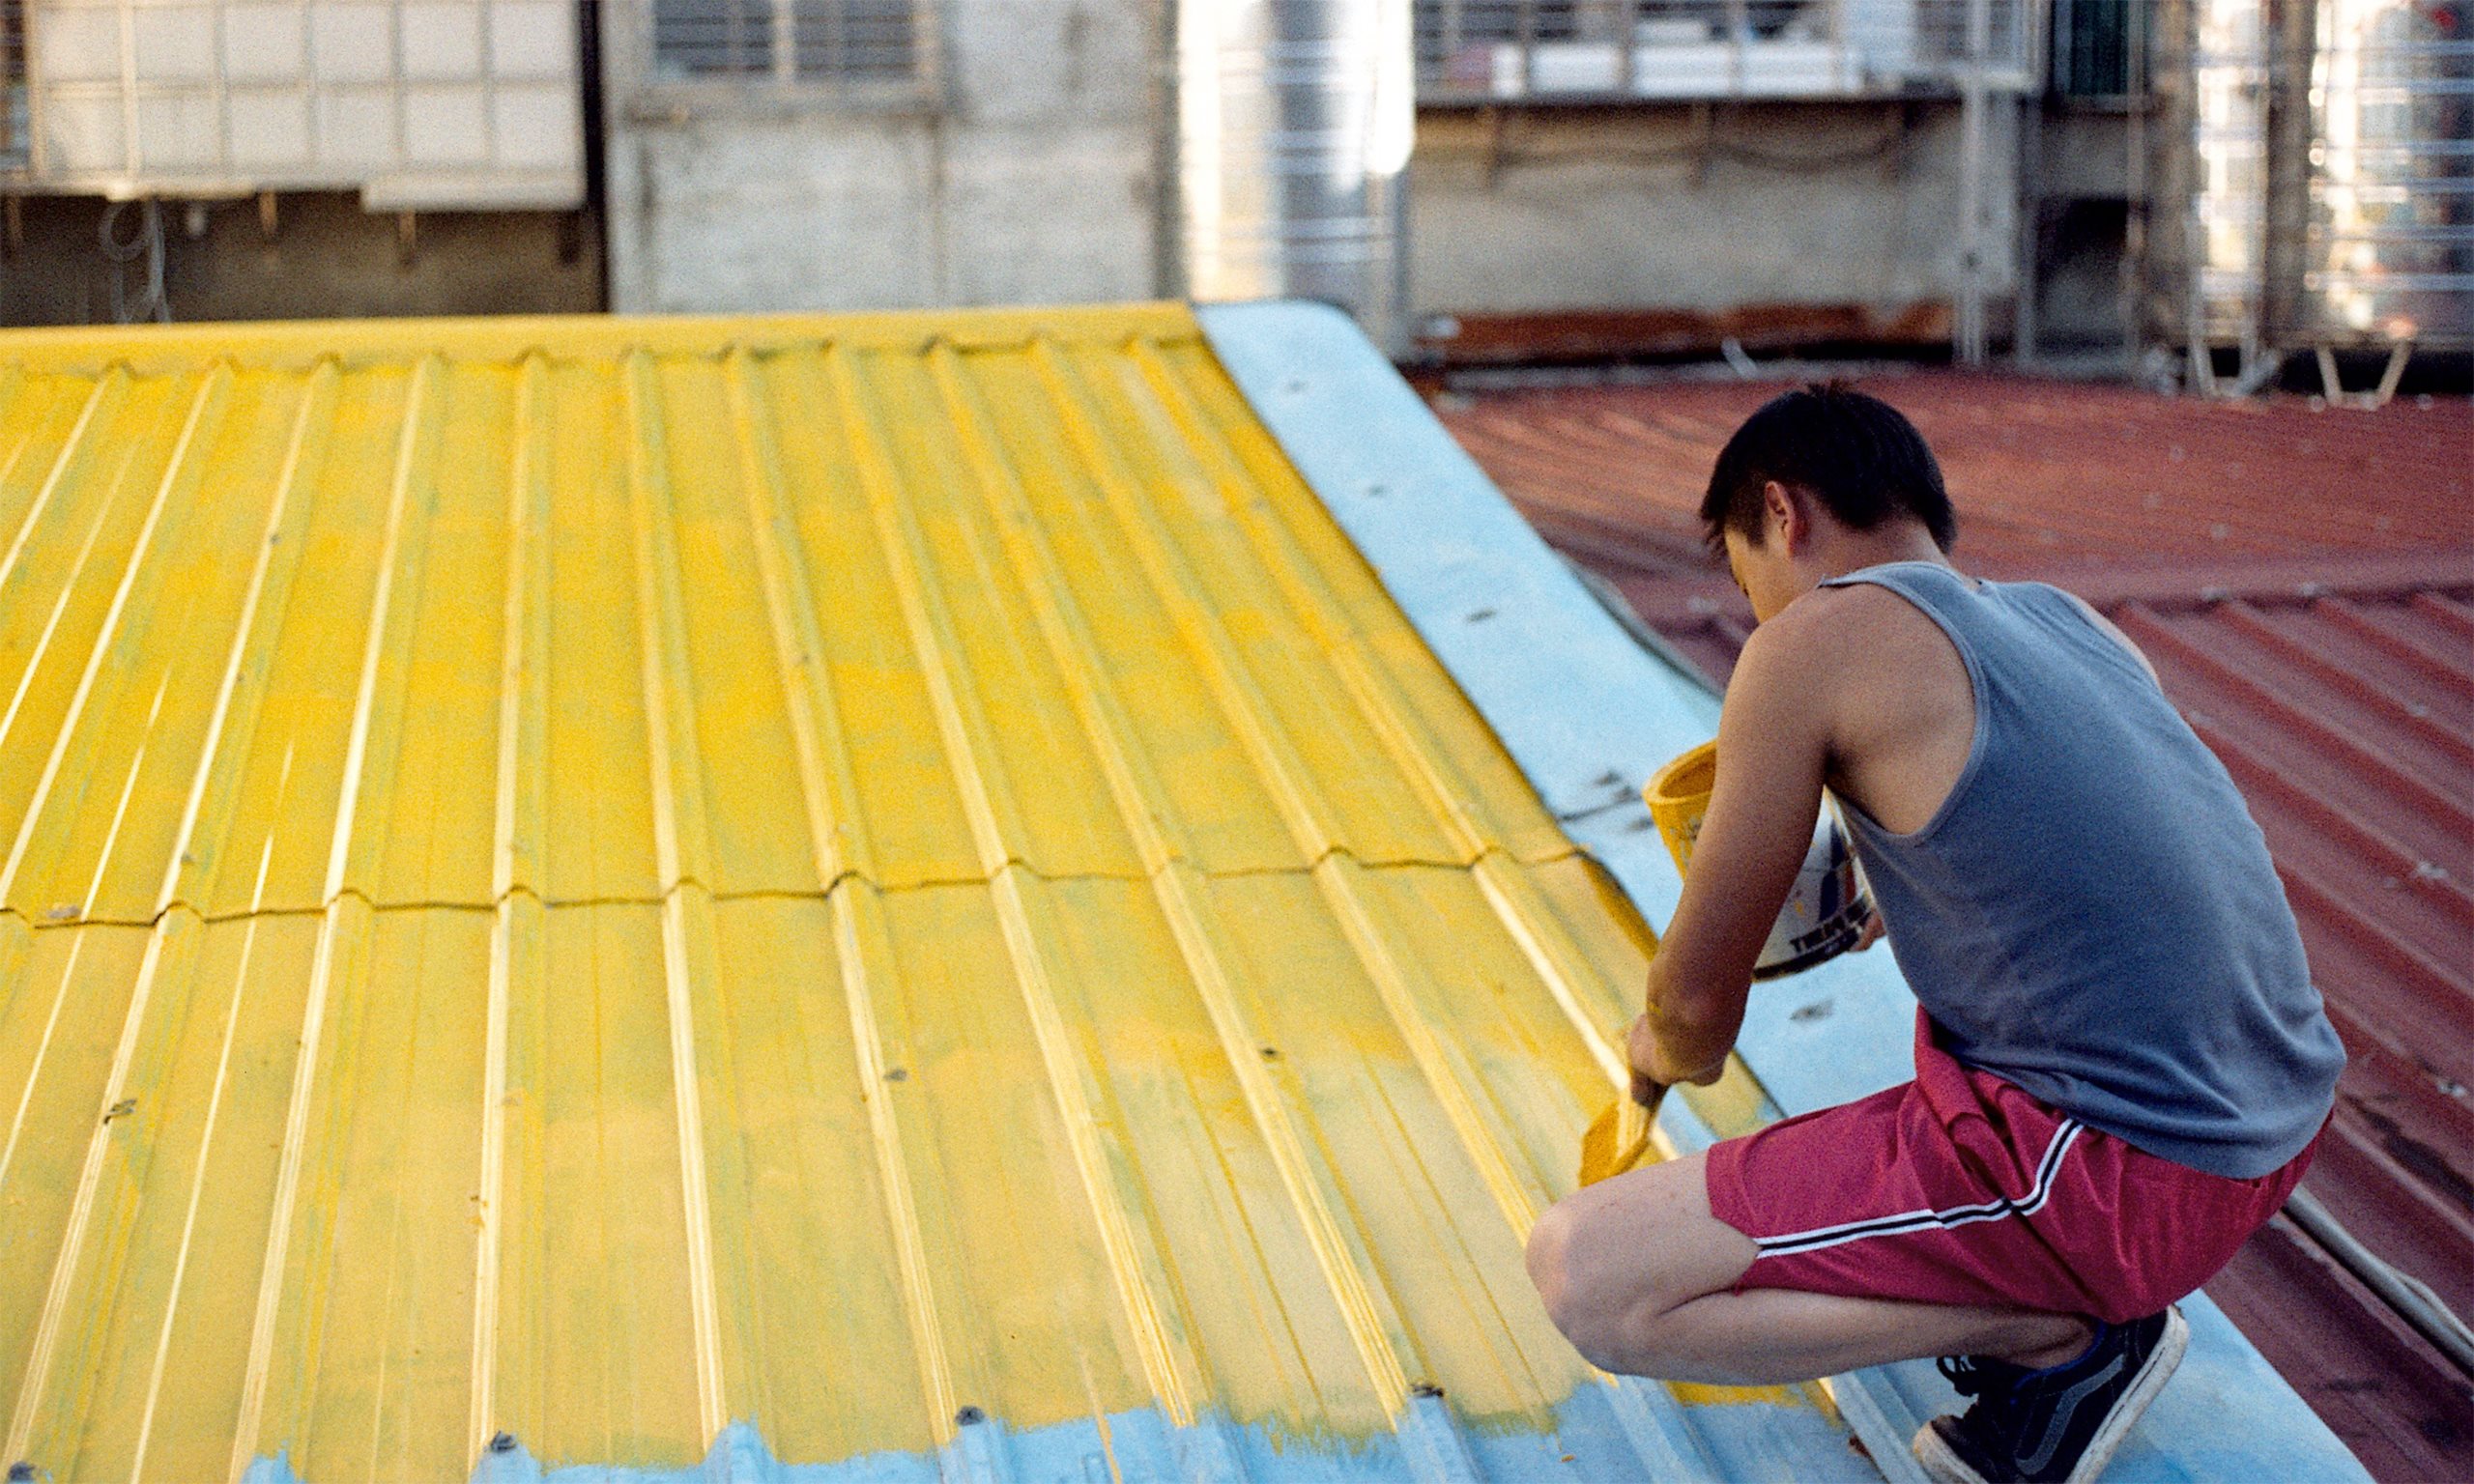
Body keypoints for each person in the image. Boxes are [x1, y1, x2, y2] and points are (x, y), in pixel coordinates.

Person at [1522, 385, 2345, 1484]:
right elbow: (2078, 849)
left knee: (1589, 1274)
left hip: (2117, 1177)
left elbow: (1695, 1017)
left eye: (1742, 571)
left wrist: (1651, 1055)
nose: (1758, 611)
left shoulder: (1811, 639)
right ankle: (2066, 1301)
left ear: (1781, 514)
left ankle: (2062, 1339)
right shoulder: (2063, 620)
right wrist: (1870, 902)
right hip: (2268, 1134)